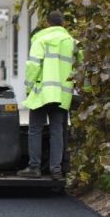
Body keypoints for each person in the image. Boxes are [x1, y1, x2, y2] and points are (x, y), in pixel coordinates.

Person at [17, 11, 81, 180]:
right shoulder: (73, 43)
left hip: (42, 93)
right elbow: (79, 67)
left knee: (35, 129)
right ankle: (56, 171)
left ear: (47, 23)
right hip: (62, 95)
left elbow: (33, 66)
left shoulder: (40, 39)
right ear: (64, 24)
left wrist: (29, 89)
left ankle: (34, 168)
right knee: (57, 131)